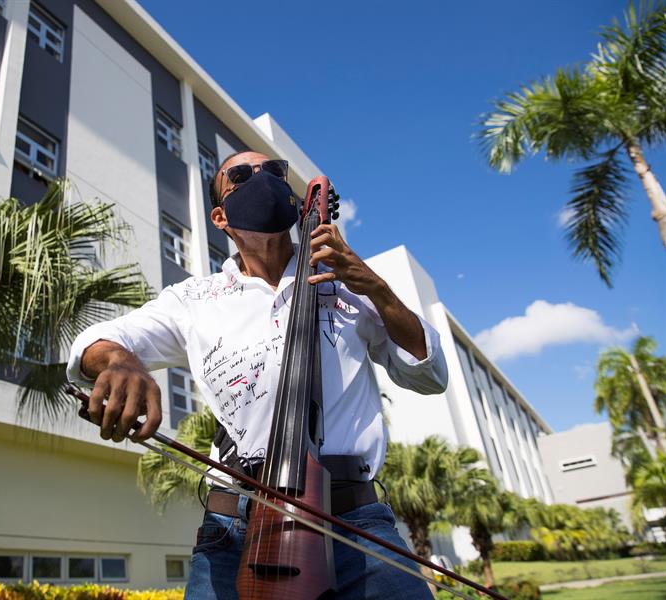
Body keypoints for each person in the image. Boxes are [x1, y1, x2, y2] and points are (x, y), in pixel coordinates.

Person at [67, 150, 449, 599]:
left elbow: (430, 375)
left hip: (354, 523)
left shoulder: (347, 281)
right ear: (219, 215)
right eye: (242, 175)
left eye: (274, 171)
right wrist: (120, 362)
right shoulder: (195, 299)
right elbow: (100, 340)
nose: (263, 179)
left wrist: (376, 287)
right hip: (235, 529)